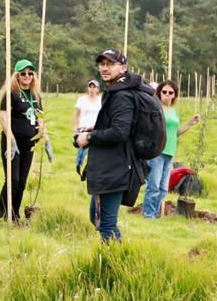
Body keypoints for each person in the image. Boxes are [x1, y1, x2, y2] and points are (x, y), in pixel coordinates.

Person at [77, 49, 149, 241]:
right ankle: (120, 252)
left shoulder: (122, 96)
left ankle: (113, 265)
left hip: (115, 167)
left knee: (105, 224)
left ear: (123, 68)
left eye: (110, 64)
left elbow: (120, 132)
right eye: (102, 64)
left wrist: (89, 137)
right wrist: (94, 128)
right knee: (97, 217)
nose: (105, 68)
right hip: (110, 165)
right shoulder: (114, 92)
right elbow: (118, 125)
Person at [0, 59, 47, 223]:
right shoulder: (11, 93)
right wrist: (10, 138)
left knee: (23, 181)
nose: (27, 76)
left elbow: (40, 118)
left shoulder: (35, 95)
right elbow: (4, 117)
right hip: (13, 143)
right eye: (23, 73)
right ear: (17, 76)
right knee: (13, 179)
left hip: (29, 144)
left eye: (30, 73)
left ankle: (15, 214)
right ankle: (3, 213)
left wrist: (44, 138)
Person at [143, 80, 200, 218]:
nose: (167, 95)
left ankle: (155, 213)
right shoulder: (156, 109)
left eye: (171, 93)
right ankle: (148, 214)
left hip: (170, 152)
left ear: (174, 95)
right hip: (157, 152)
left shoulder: (173, 112)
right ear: (159, 93)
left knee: (163, 188)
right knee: (154, 185)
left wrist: (190, 124)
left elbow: (175, 132)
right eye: (164, 92)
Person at [73, 80, 102, 176]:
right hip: (83, 129)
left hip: (95, 129)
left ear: (98, 89)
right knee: (82, 150)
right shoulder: (82, 100)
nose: (92, 89)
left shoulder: (101, 100)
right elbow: (76, 115)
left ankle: (92, 168)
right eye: (90, 87)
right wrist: (75, 128)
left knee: (94, 151)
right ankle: (79, 166)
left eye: (94, 87)